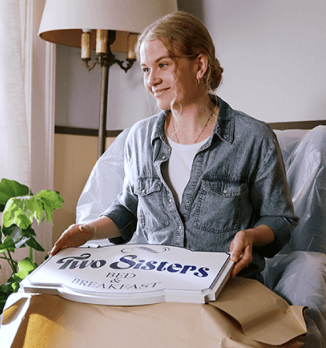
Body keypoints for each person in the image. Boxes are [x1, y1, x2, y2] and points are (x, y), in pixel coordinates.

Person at [50, 12, 298, 282]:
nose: (151, 80)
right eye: (146, 69)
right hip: (151, 283)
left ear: (200, 65)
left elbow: (280, 220)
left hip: (227, 285)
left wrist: (251, 235)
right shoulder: (139, 138)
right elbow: (129, 209)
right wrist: (88, 231)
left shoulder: (254, 137)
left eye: (163, 65)